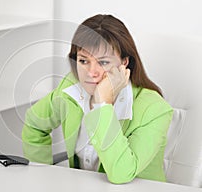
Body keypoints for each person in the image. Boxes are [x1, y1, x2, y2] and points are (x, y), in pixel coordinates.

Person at [21, 14, 173, 184]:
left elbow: (121, 174)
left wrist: (103, 104)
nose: (91, 72)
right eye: (83, 61)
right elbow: (35, 123)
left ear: (124, 63)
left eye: (103, 62)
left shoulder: (155, 109)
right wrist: (42, 175)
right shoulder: (70, 88)